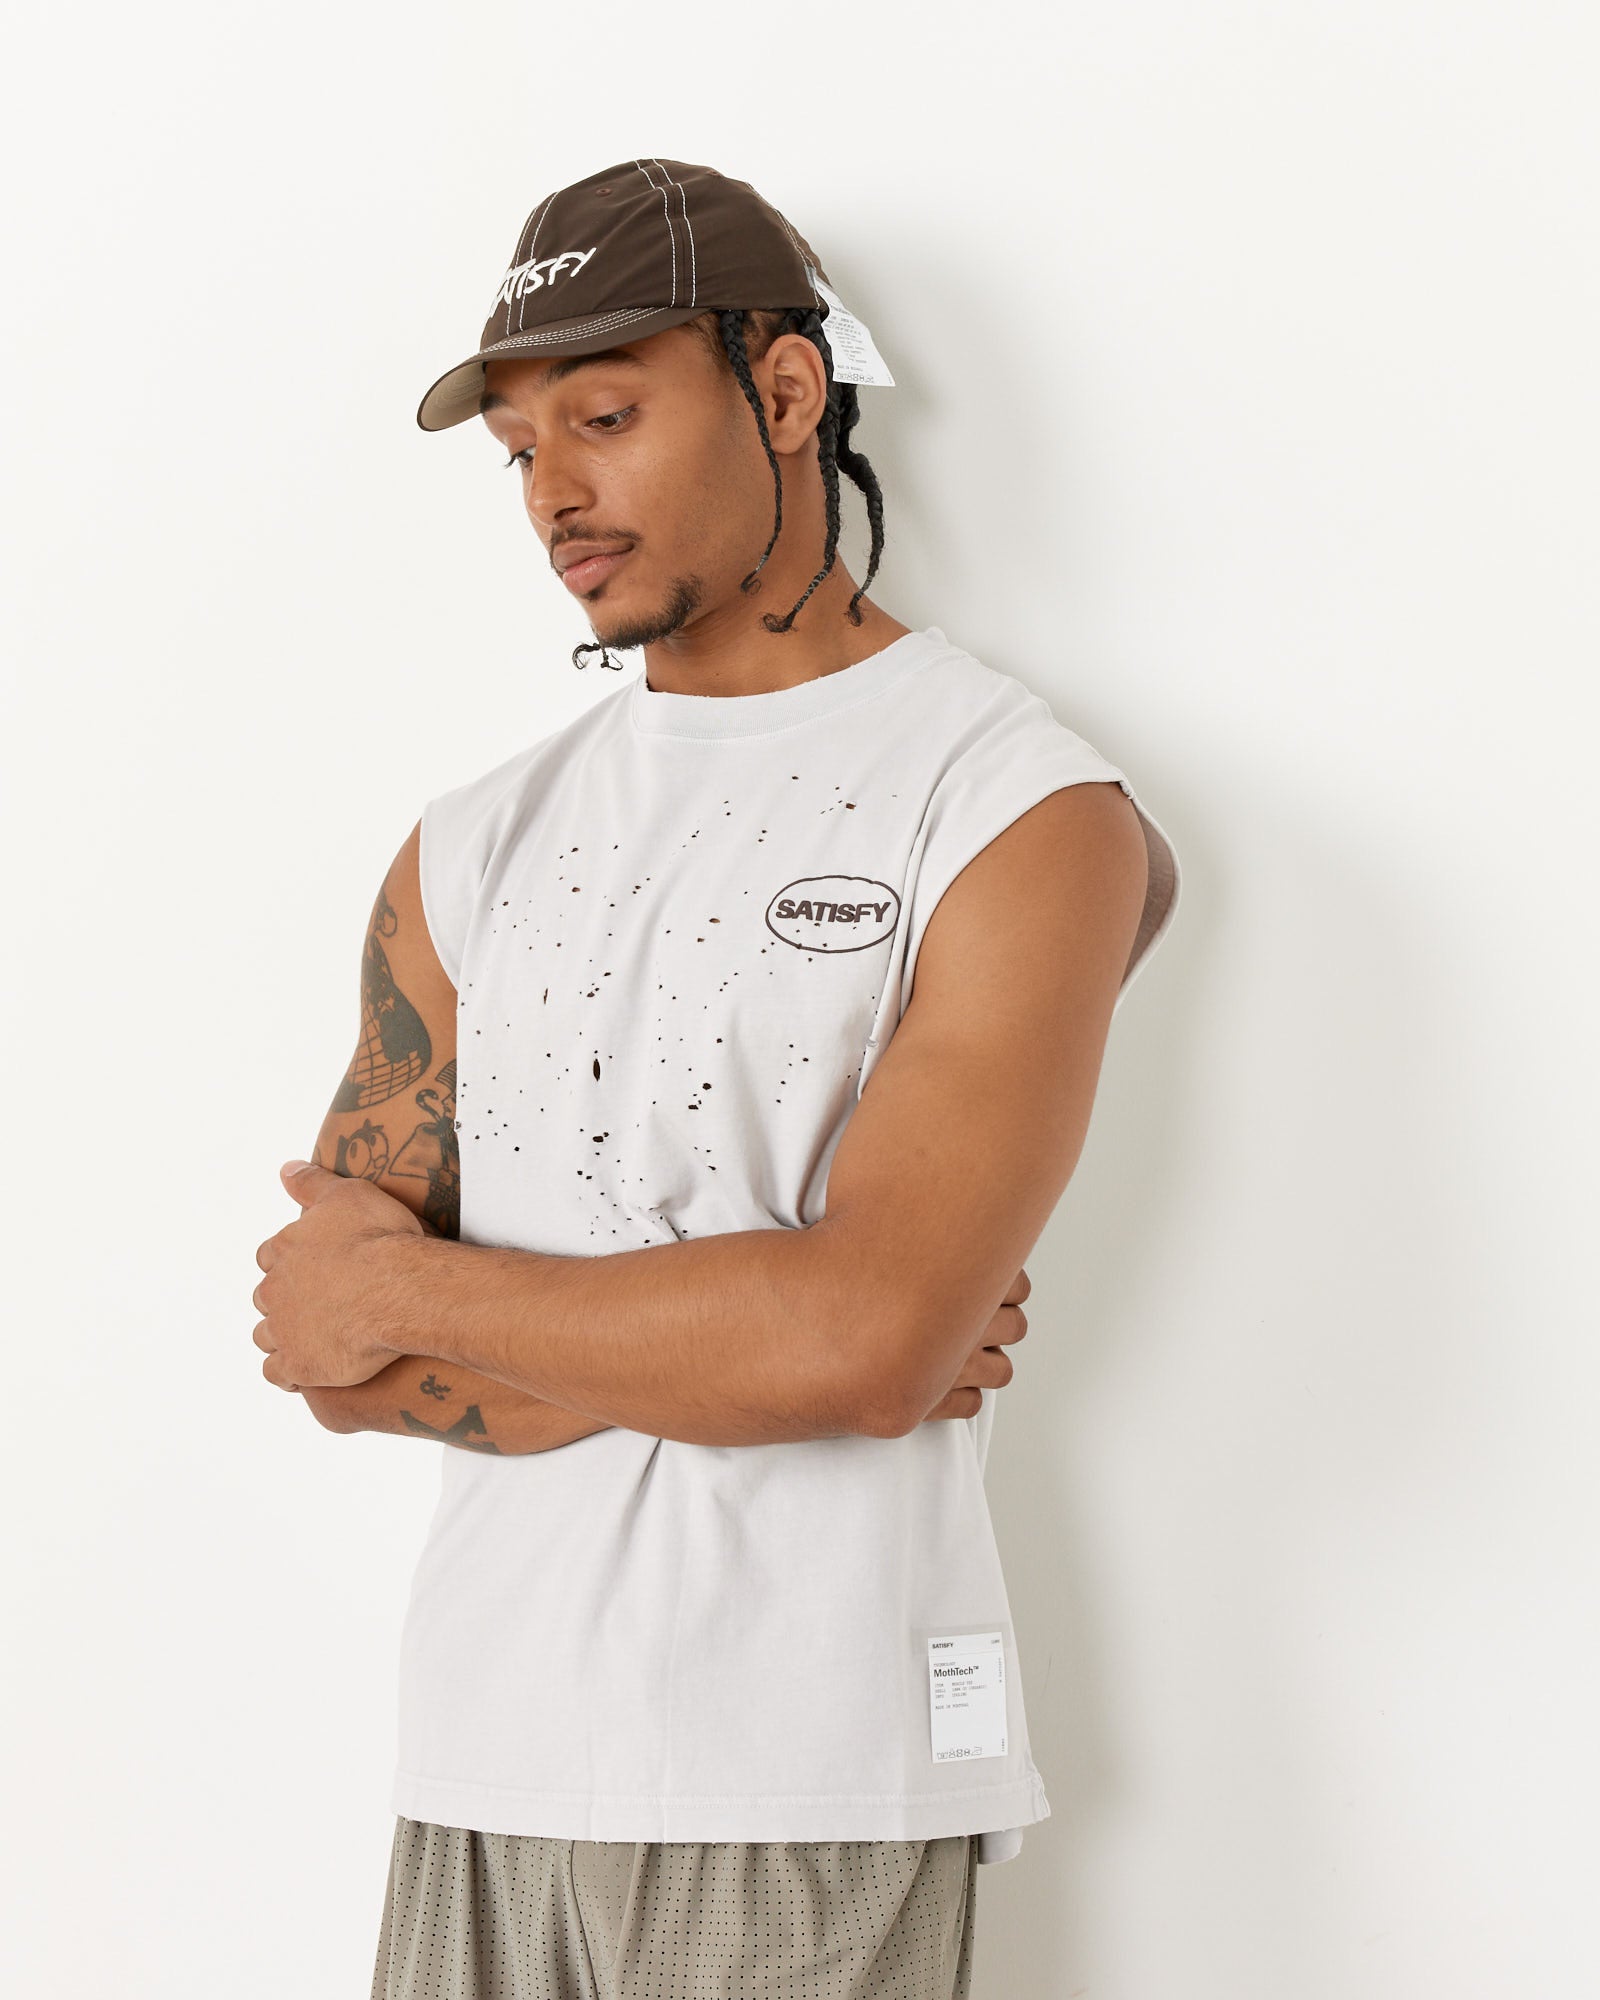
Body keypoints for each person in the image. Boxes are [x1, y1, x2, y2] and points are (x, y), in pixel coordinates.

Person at [256, 157, 1182, 1999]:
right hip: (479, 1758)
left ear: (785, 389)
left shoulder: (1015, 810)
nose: (554, 492)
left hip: (805, 1771)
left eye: (604, 417)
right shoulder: (471, 843)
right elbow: (325, 1353)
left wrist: (433, 1294)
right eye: (521, 448)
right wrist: (742, 1342)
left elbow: (862, 1344)